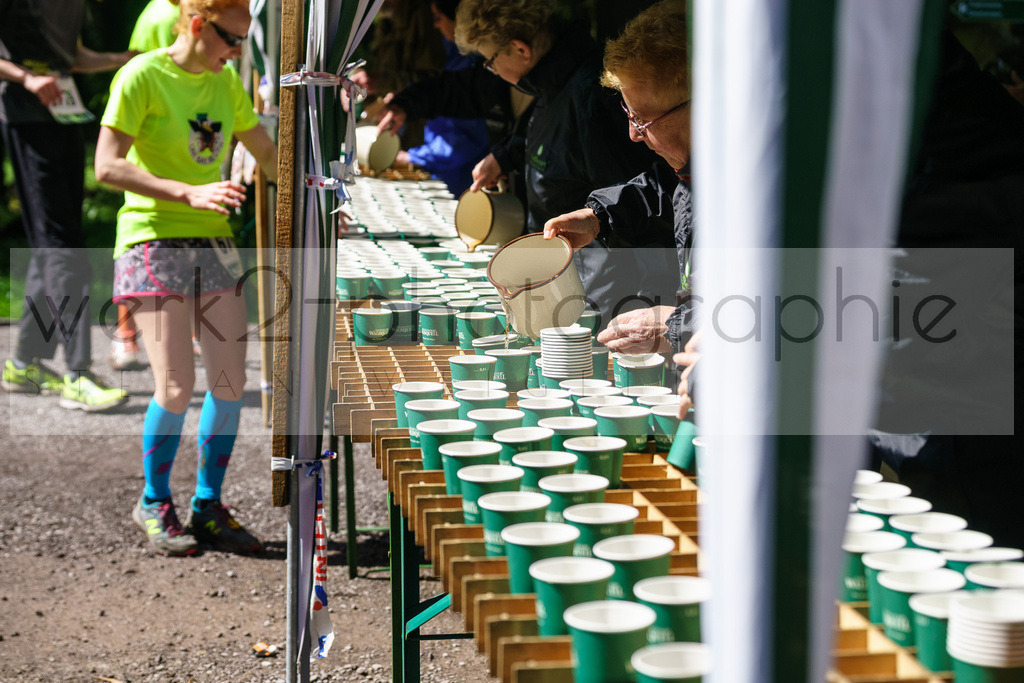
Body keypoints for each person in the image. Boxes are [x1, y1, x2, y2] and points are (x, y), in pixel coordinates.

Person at [94, 0, 277, 556]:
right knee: (174, 388)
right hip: (150, 238)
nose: (237, 52)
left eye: (244, 41)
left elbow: (269, 155)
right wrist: (188, 192)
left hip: (212, 241)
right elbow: (106, 165)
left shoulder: (225, 85)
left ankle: (208, 504)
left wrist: (322, 195)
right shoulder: (142, 74)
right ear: (197, 25)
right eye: (230, 38)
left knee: (228, 384)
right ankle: (153, 501)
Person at [454, 0, 679, 329]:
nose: (492, 71)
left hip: (606, 295)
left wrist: (645, 305)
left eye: (489, 62)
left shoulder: (588, 96)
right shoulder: (552, 83)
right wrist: (504, 156)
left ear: (520, 49)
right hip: (578, 280)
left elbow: (643, 199)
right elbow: (552, 136)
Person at [541, 0, 696, 377]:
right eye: (629, 114)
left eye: (642, 119)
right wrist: (599, 216)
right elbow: (665, 190)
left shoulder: (767, 189)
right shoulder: (696, 166)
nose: (632, 134)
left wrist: (672, 324)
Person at [0, 0, 133, 411]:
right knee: (63, 247)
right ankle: (78, 374)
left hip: (65, 114)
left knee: (55, 240)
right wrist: (26, 78)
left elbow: (71, 57)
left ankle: (24, 362)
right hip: (25, 116)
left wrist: (125, 60)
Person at [108, 0, 181, 373]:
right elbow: (135, 67)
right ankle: (127, 336)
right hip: (158, 145)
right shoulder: (164, 15)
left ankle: (140, 337)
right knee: (144, 243)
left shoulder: (154, 11)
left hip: (171, 141)